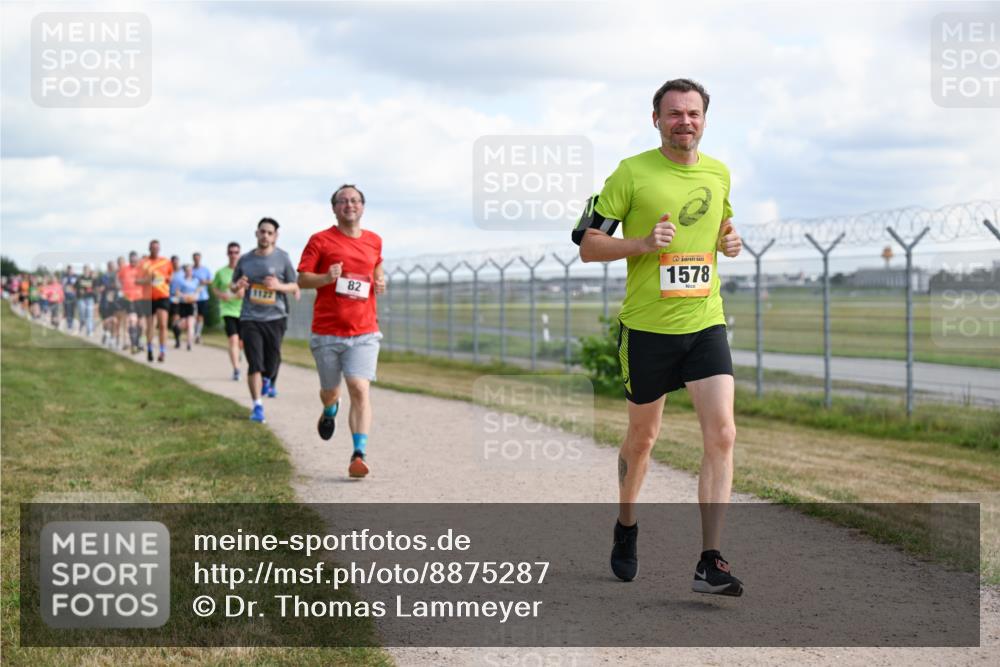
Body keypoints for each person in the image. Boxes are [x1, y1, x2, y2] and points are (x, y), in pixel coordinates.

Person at [574, 78, 745, 596]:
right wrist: (644, 243)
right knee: (643, 439)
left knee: (723, 434)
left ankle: (710, 560)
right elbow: (588, 246)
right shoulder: (631, 173)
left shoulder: (719, 173)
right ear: (656, 120)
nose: (684, 122)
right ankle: (626, 525)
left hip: (705, 322)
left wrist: (731, 240)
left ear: (704, 119)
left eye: (693, 113)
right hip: (647, 330)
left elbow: (721, 227)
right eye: (674, 113)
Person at [297, 184, 386, 479]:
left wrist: (380, 280)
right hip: (327, 332)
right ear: (334, 208)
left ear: (363, 206)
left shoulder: (374, 240)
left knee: (359, 388)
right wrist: (325, 277)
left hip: (364, 331)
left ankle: (358, 454)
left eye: (355, 200)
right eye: (343, 201)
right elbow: (302, 280)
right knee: (331, 392)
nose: (350, 204)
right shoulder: (320, 240)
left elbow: (376, 267)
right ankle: (330, 409)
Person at [231, 218, 298, 423]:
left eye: (270, 232)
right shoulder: (245, 260)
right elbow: (233, 286)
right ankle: (257, 406)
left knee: (273, 359)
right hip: (250, 317)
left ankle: (268, 379)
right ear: (256, 233)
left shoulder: (282, 258)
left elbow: (295, 285)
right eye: (262, 232)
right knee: (254, 363)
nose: (265, 236)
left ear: (275, 236)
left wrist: (278, 286)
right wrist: (238, 285)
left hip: (275, 317)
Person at [212, 241, 245, 380]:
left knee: (241, 342)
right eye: (231, 252)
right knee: (233, 339)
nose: (233, 255)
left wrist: (243, 292)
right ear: (227, 254)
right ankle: (236, 370)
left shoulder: (244, 272)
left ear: (239, 254)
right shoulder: (221, 272)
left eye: (236, 252)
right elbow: (214, 288)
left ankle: (238, 352)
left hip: (243, 310)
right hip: (228, 310)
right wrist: (221, 295)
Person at [136, 240, 174, 362]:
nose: (155, 250)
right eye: (153, 248)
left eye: (157, 248)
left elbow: (171, 276)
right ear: (149, 249)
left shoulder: (166, 262)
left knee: (163, 324)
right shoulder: (143, 263)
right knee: (150, 325)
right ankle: (150, 349)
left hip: (162, 295)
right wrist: (148, 280)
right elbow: (137, 281)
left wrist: (167, 279)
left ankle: (162, 351)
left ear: (159, 249)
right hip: (148, 297)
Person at [118, 252, 144, 353]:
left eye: (135, 260)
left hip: (140, 298)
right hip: (128, 298)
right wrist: (120, 290)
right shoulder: (124, 269)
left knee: (140, 322)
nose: (133, 261)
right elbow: (118, 279)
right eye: (131, 260)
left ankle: (139, 340)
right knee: (132, 320)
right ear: (129, 260)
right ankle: (133, 343)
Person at [174, 264, 201, 350]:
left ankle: (189, 344)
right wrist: (184, 296)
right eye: (187, 270)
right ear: (184, 271)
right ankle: (177, 333)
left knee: (190, 324)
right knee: (181, 324)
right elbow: (177, 292)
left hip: (192, 304)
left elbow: (198, 291)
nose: (189, 272)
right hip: (182, 304)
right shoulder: (180, 280)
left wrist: (194, 296)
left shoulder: (196, 281)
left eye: (190, 270)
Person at [191, 252, 213, 344]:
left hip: (203, 297)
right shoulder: (190, 269)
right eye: (195, 258)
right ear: (193, 259)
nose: (196, 260)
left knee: (200, 316)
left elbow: (211, 281)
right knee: (193, 316)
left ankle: (198, 334)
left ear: (200, 259)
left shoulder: (205, 269)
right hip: (192, 296)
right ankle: (193, 333)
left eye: (198, 258)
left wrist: (205, 281)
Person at [77, 264, 97, 337]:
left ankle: (90, 330)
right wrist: (79, 290)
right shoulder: (80, 278)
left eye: (87, 270)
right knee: (82, 312)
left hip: (90, 299)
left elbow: (95, 290)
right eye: (85, 270)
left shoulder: (92, 279)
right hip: (81, 299)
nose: (86, 271)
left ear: (89, 271)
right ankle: (82, 322)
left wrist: (96, 301)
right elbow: (76, 287)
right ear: (83, 270)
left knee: (89, 315)